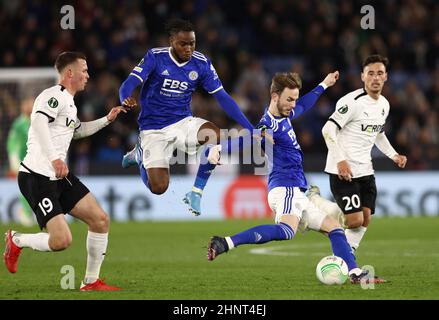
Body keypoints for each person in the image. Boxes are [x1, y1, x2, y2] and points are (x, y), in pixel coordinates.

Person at [207, 71, 385, 284]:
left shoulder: (284, 116)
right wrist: (220, 147)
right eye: (289, 99)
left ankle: (355, 274)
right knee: (285, 231)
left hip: (296, 191)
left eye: (294, 99)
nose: (293, 104)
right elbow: (249, 138)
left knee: (335, 229)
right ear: (275, 96)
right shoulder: (268, 125)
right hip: (286, 188)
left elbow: (304, 106)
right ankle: (225, 242)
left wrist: (323, 84)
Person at [3, 51, 126, 291]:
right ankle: (16, 239)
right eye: (84, 70)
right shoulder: (53, 96)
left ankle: (90, 282)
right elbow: (38, 123)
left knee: (100, 220)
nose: (88, 75)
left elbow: (76, 131)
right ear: (70, 73)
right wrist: (55, 158)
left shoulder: (69, 102)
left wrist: (106, 120)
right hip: (37, 175)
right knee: (61, 241)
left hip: (58, 175)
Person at [119, 19, 258, 216]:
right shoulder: (155, 57)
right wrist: (125, 98)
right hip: (153, 128)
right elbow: (128, 83)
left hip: (183, 122)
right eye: (183, 43)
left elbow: (223, 97)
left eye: (192, 43)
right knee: (159, 188)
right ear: (172, 41)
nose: (188, 48)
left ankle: (196, 191)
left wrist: (249, 127)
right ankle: (140, 153)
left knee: (215, 135)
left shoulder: (201, 63)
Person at [319, 54, 407, 255]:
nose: (375, 78)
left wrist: (394, 155)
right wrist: (340, 161)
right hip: (343, 170)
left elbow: (378, 134)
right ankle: (316, 207)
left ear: (386, 77)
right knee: (355, 220)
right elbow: (327, 130)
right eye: (371, 73)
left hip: (365, 169)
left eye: (380, 73)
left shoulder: (384, 104)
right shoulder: (351, 102)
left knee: (366, 218)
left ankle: (346, 256)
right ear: (362, 76)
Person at [6, 97, 35, 226]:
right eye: (28, 103)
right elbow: (12, 142)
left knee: (34, 187)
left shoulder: (36, 122)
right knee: (26, 187)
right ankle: (25, 214)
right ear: (23, 107)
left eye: (32, 103)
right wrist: (13, 158)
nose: (30, 106)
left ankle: (30, 213)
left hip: (34, 160)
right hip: (22, 160)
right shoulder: (19, 124)